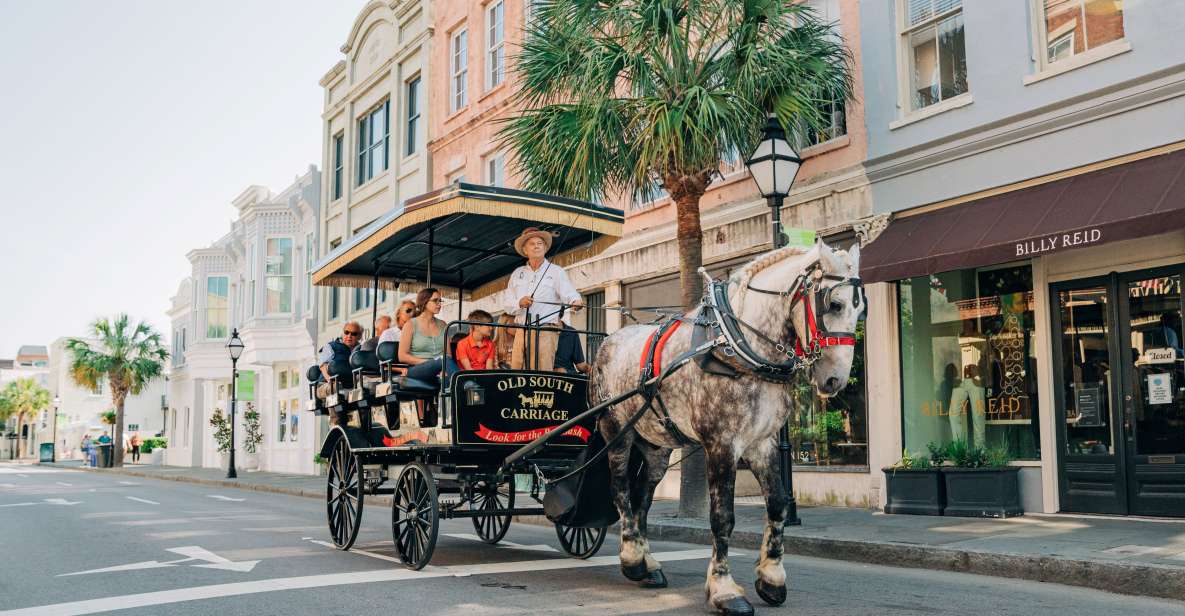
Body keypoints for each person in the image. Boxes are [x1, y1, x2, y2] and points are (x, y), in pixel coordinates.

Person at [504, 227, 583, 370]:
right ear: (525, 250)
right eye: (532, 243)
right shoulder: (517, 273)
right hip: (521, 329)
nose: (536, 246)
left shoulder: (556, 271)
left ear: (545, 248)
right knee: (517, 369)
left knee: (541, 370)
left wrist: (575, 302)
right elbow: (507, 304)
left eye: (539, 243)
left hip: (546, 329)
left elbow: (570, 293)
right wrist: (519, 303)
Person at [398, 288, 456, 381]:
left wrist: (441, 369)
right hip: (417, 369)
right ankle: (467, 385)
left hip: (441, 365)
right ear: (424, 302)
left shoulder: (443, 325)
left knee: (447, 378)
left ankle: (463, 391)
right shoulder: (410, 324)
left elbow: (448, 354)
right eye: (435, 301)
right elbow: (402, 356)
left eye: (440, 300)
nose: (439, 304)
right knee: (442, 360)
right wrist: (432, 363)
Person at [317, 321, 362, 397]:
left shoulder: (361, 350)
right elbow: (323, 366)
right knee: (336, 389)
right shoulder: (331, 346)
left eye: (353, 334)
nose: (349, 336)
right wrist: (330, 381)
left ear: (359, 336)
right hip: (325, 384)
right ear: (342, 333)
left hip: (350, 385)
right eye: (346, 332)